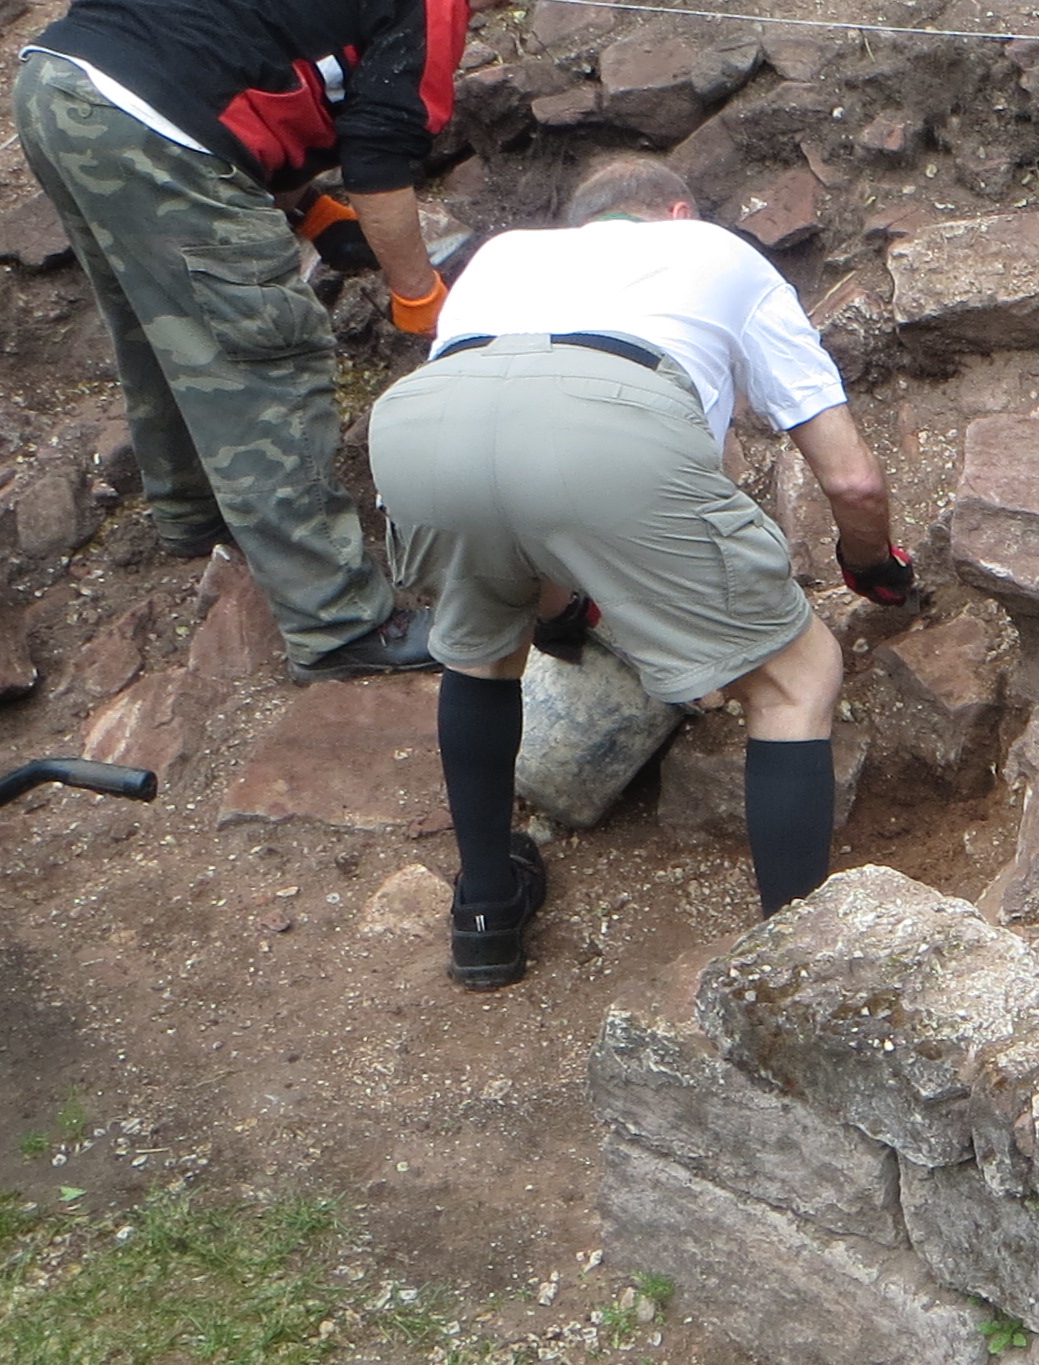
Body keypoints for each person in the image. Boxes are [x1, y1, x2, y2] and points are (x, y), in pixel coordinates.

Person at [11, 0, 576, 677]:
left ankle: (195, 514)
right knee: (266, 356)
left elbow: (255, 73)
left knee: (162, 320)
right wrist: (417, 292)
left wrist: (309, 209)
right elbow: (382, 161)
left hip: (60, 86)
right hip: (155, 120)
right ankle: (340, 624)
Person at [366, 153, 910, 990]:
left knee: (479, 650)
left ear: (582, 226)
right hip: (613, 424)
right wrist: (871, 565)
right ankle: (792, 973)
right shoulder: (719, 253)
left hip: (421, 430)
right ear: (679, 213)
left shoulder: (503, 255)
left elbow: (513, 465)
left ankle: (484, 915)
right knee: (797, 677)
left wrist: (556, 612)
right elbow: (853, 480)